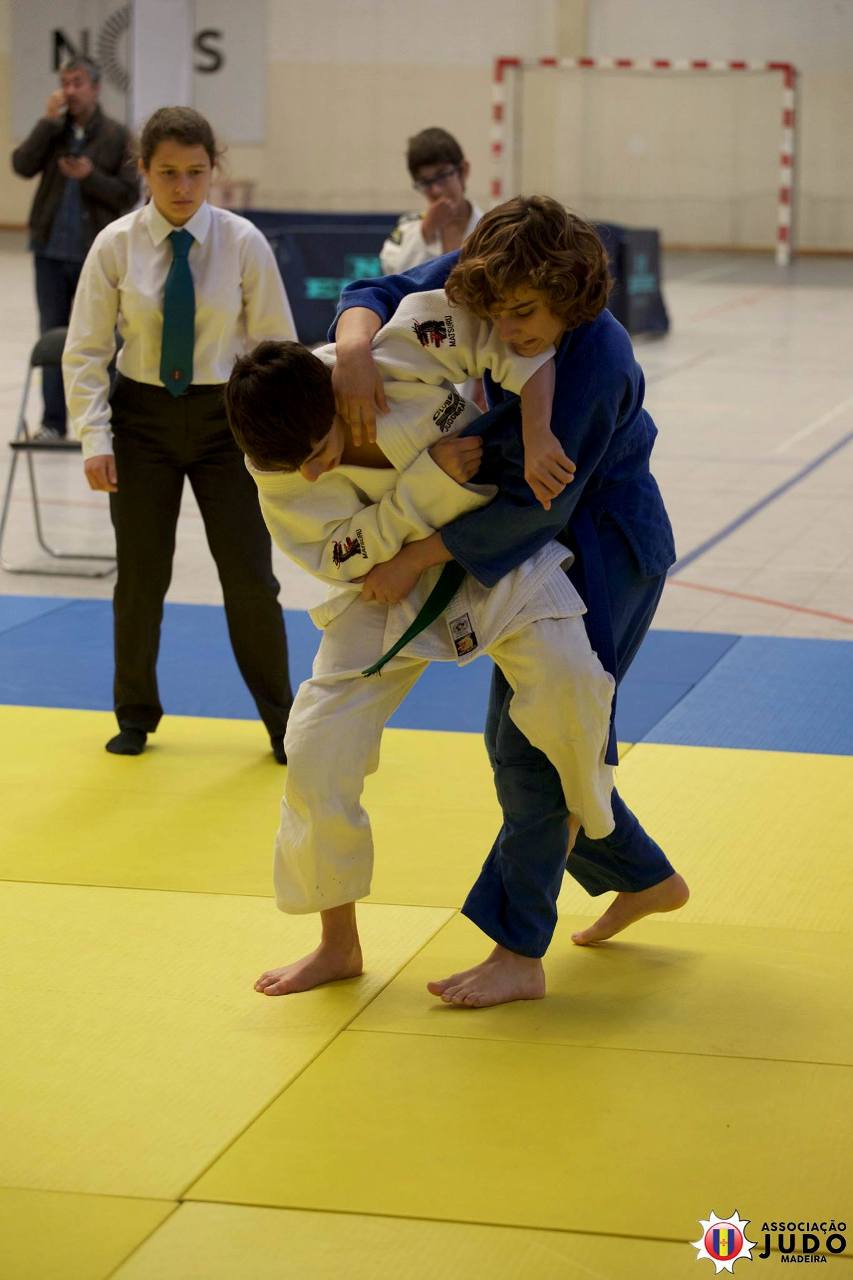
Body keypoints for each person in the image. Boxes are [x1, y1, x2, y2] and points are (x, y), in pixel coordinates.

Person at [330, 196, 689, 1008]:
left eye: (525, 314)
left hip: (604, 550)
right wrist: (352, 348)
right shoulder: (493, 283)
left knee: (535, 745)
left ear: (570, 294)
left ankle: (518, 949)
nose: (506, 329)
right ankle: (643, 877)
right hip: (533, 541)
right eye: (495, 312)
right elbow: (380, 290)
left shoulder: (598, 359)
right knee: (519, 738)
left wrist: (411, 557)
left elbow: (535, 507)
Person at [223, 288, 615, 999]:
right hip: (385, 587)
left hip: (489, 549)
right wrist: (423, 491)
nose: (310, 474)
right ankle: (336, 944)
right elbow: (338, 556)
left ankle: (596, 819)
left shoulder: (395, 353)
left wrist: (534, 433)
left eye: (318, 452)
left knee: (571, 683)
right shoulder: (273, 462)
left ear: (336, 396)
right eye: (295, 468)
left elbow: (518, 349)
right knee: (315, 748)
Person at [62, 106, 295, 761]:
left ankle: (284, 724)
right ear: (143, 170)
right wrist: (95, 440)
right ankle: (134, 713)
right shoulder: (115, 245)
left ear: (213, 169)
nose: (183, 186)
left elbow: (277, 347)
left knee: (251, 580)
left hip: (228, 423)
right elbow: (84, 351)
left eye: (196, 172)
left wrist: (280, 441)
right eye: (168, 172)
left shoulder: (244, 242)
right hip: (140, 423)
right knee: (140, 581)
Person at [11, 56, 138, 441]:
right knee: (52, 334)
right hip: (50, 252)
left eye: (77, 82)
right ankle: (53, 422)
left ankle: (105, 422)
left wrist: (89, 177)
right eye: (64, 83)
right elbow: (22, 164)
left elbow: (127, 194)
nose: (69, 91)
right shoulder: (53, 131)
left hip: (93, 256)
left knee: (101, 338)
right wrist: (46, 122)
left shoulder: (116, 135)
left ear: (96, 88)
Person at [379, 128, 482, 276]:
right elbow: (394, 278)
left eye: (443, 175)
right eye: (426, 182)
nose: (436, 190)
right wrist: (425, 232)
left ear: (463, 171)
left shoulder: (491, 228)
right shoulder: (406, 230)